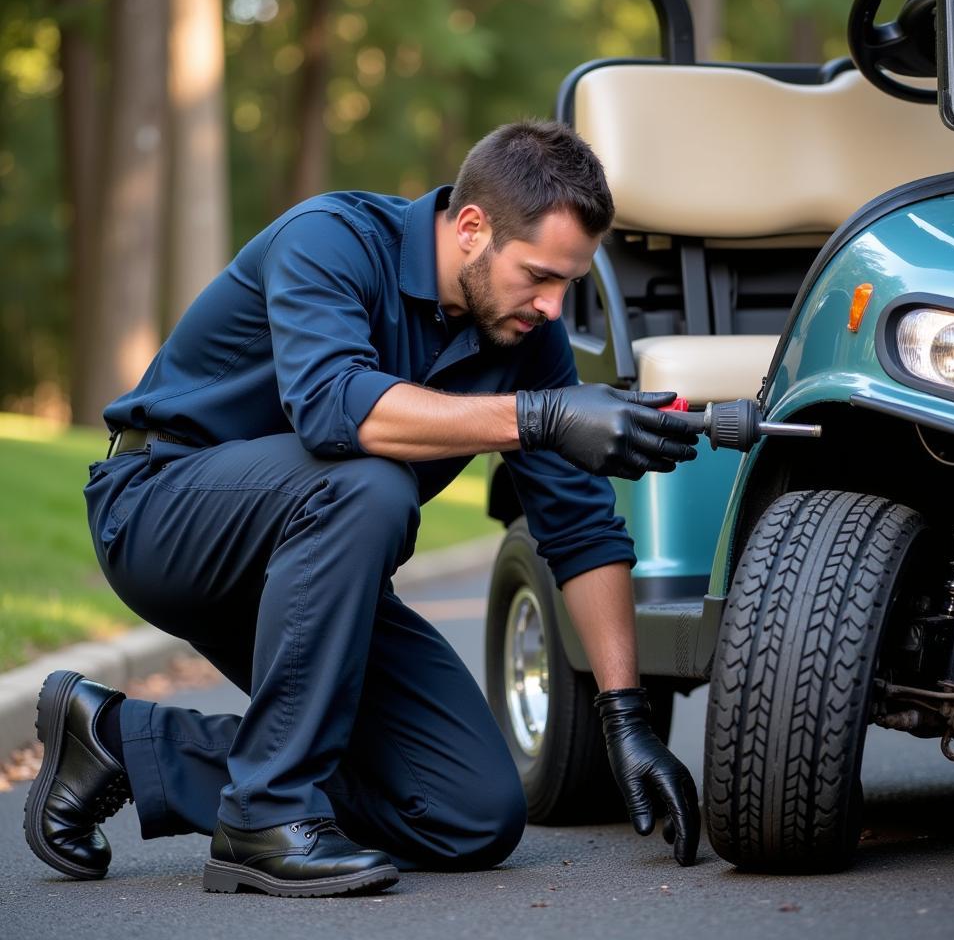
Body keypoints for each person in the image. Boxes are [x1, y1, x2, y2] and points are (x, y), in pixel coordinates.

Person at [24, 120, 702, 898]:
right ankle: (266, 814)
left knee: (469, 811)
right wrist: (540, 416)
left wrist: (627, 718)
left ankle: (119, 743)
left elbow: (580, 530)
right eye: (539, 276)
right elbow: (332, 407)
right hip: (160, 511)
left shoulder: (524, 335)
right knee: (368, 480)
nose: (553, 307)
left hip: (313, 568)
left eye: (570, 285)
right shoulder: (332, 238)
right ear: (473, 228)